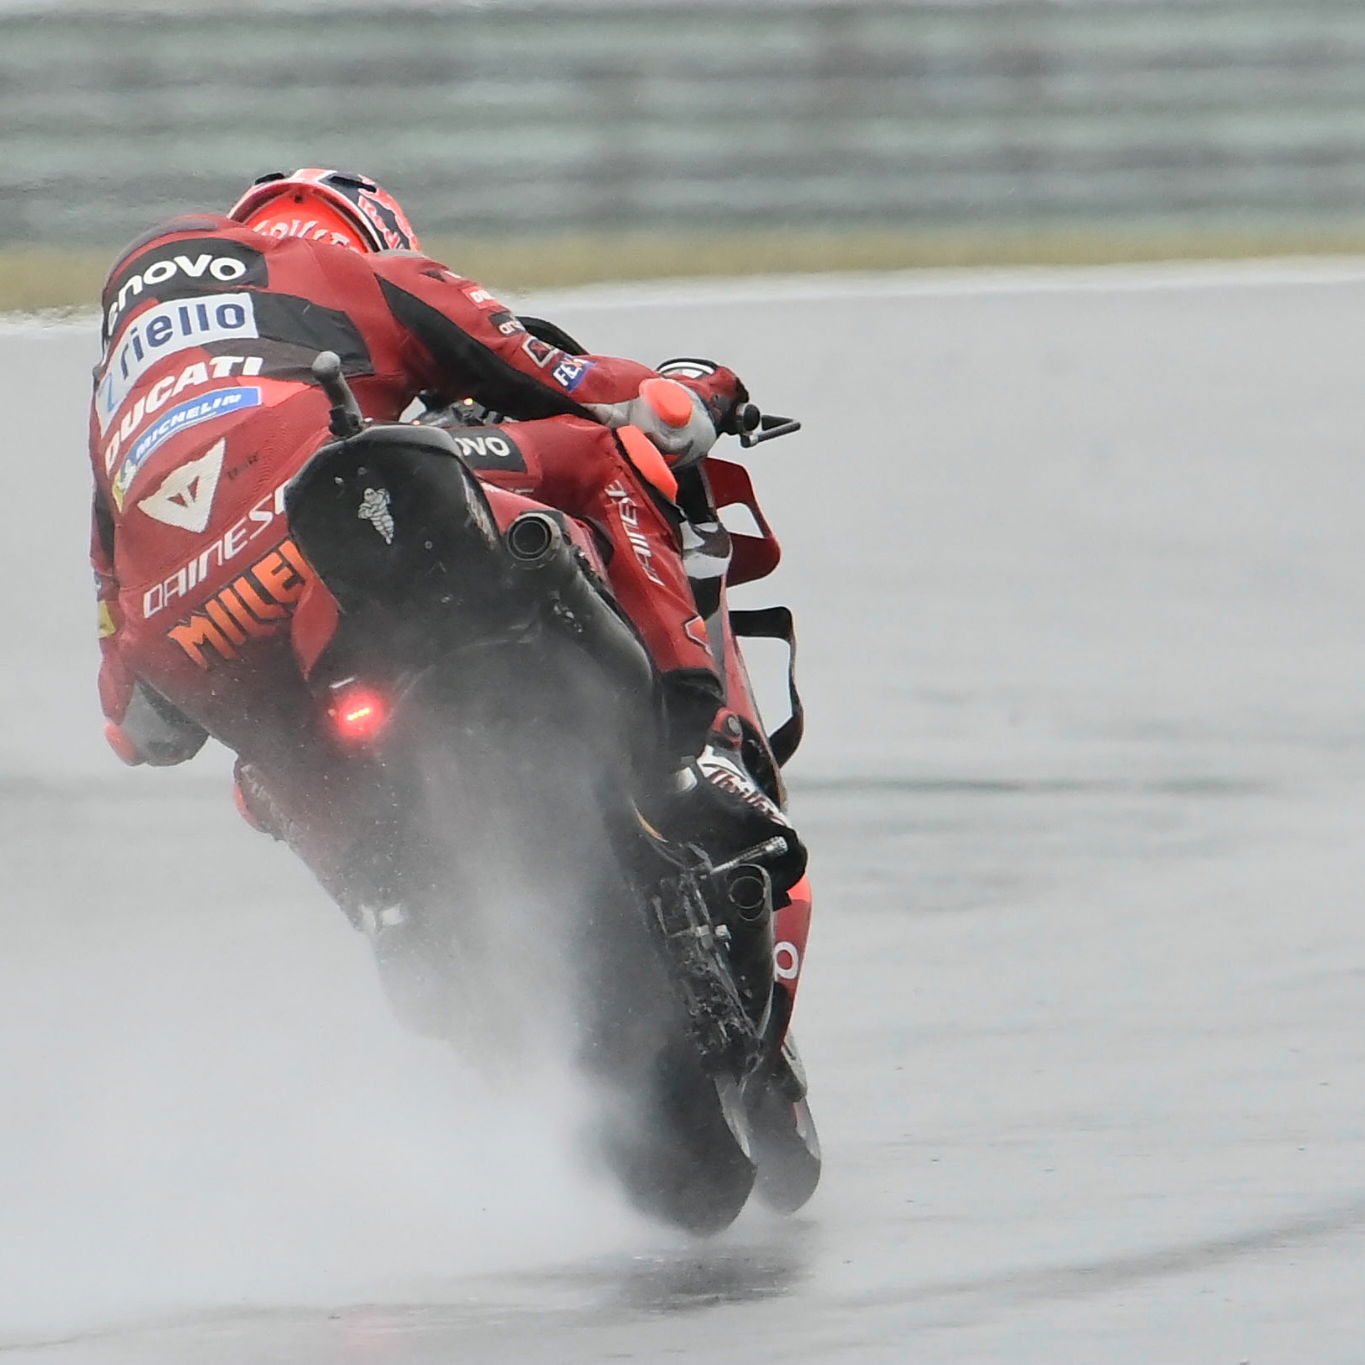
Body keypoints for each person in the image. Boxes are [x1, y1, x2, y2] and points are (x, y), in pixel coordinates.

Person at [90, 168, 805, 924]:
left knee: (266, 770)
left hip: (183, 634)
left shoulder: (112, 403)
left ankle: (406, 924)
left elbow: (140, 722)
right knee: (605, 449)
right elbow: (579, 383)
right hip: (335, 502)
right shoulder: (353, 272)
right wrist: (702, 391)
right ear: (370, 229)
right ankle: (691, 757)